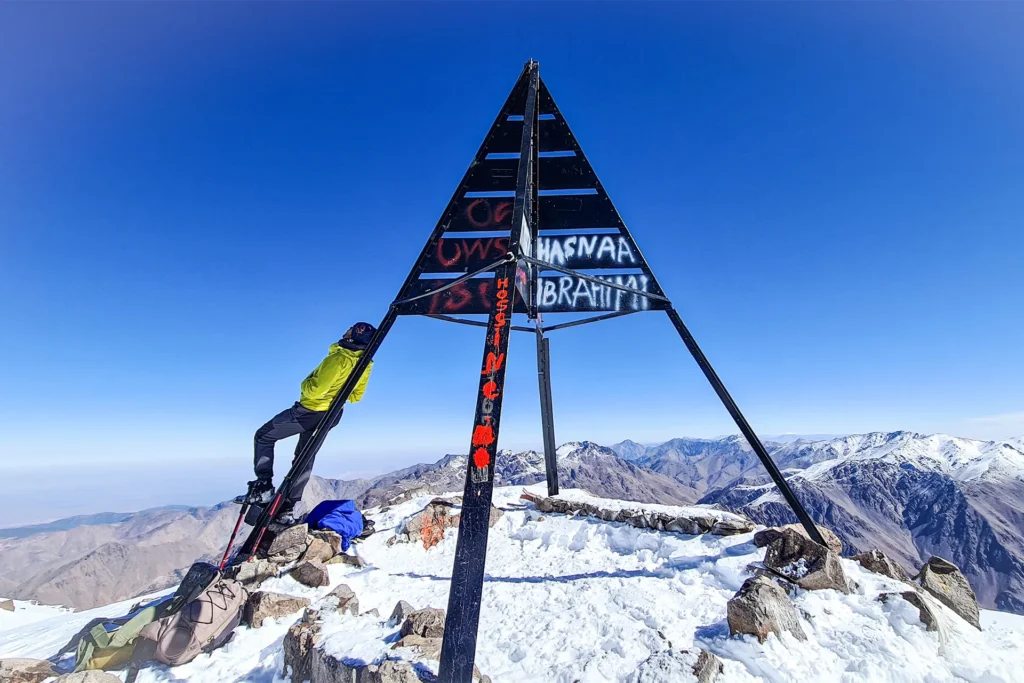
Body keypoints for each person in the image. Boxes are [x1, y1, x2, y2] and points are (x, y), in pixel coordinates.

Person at [238, 322, 376, 523]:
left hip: (309, 411)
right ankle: (287, 507)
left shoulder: (339, 358)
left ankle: (264, 486)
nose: (344, 330)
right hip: (332, 415)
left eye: (349, 329)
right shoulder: (364, 363)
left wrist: (305, 383)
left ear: (353, 335)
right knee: (303, 458)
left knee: (264, 436)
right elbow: (356, 397)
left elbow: (314, 390)